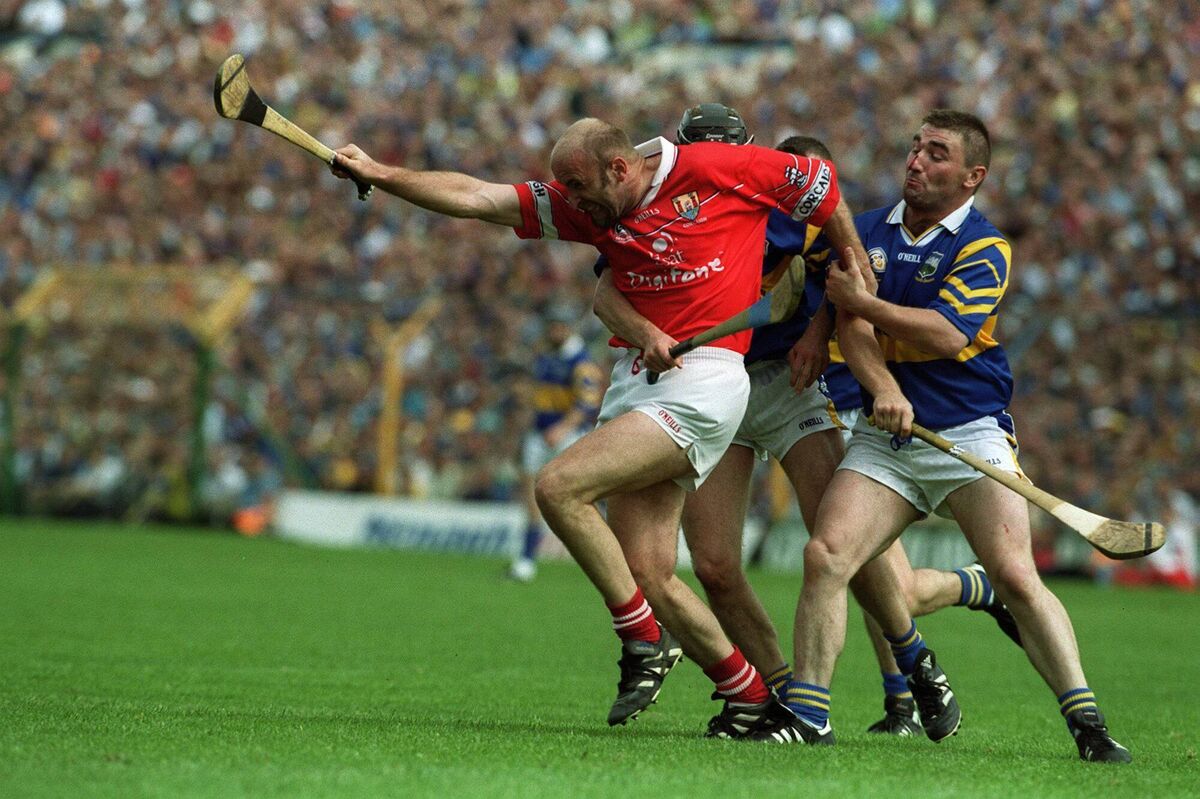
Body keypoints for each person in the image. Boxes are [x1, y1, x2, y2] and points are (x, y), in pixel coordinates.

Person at [329, 116, 866, 735]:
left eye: (580, 186)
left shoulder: (716, 167)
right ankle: (747, 694)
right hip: (638, 378)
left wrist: (857, 269)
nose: (573, 202)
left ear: (619, 168)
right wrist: (381, 173)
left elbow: (821, 183)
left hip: (707, 380)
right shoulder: (594, 209)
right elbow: (481, 199)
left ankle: (643, 641)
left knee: (558, 486)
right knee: (649, 574)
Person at [595, 106, 1019, 739]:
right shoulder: (649, 212)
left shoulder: (776, 203)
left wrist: (818, 333)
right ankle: (777, 693)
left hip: (791, 391)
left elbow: (844, 272)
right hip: (714, 391)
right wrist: (643, 331)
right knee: (713, 565)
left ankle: (913, 665)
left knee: (841, 541)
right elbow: (606, 290)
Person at [754, 109, 1131, 763]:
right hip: (886, 436)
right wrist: (877, 378)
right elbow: (847, 320)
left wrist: (859, 304)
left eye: (937, 153)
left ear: (971, 176)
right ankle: (810, 713)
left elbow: (945, 333)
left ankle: (1089, 723)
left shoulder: (985, 247)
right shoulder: (864, 230)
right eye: (915, 147)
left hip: (969, 431)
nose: (917, 161)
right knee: (827, 555)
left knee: (1017, 573)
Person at [509, 301, 603, 582]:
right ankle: (526, 559)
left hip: (567, 435)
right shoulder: (546, 356)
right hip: (540, 434)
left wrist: (562, 428)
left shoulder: (581, 362)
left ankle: (602, 558)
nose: (553, 331)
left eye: (557, 326)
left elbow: (587, 402)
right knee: (530, 496)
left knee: (581, 495)